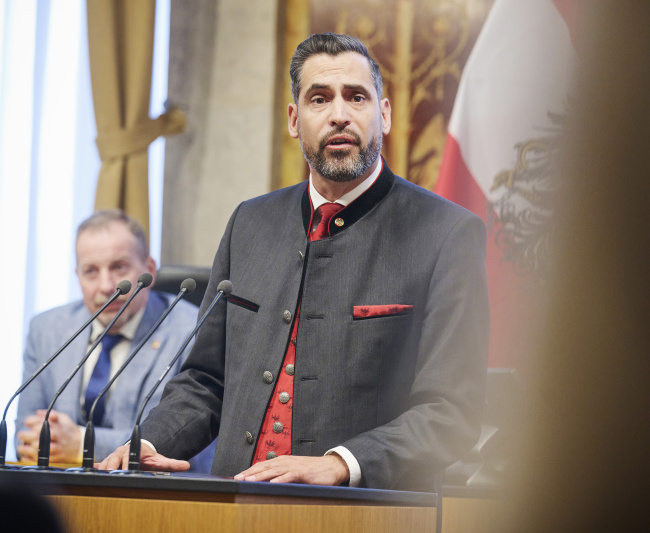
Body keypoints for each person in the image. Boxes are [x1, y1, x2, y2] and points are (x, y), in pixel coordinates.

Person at [99, 33, 489, 491]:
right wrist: (150, 442)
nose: (339, 114)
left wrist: (342, 463)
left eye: (357, 97)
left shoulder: (447, 233)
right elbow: (205, 380)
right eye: (319, 99)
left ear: (383, 115)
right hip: (233, 505)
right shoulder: (250, 222)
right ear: (294, 119)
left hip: (361, 514)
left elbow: (451, 414)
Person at [16, 210, 214, 472]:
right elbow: (26, 436)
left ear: (149, 270)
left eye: (119, 267)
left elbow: (188, 445)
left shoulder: (192, 330)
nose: (106, 286)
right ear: (78, 276)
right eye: (90, 271)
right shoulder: (47, 329)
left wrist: (82, 445)